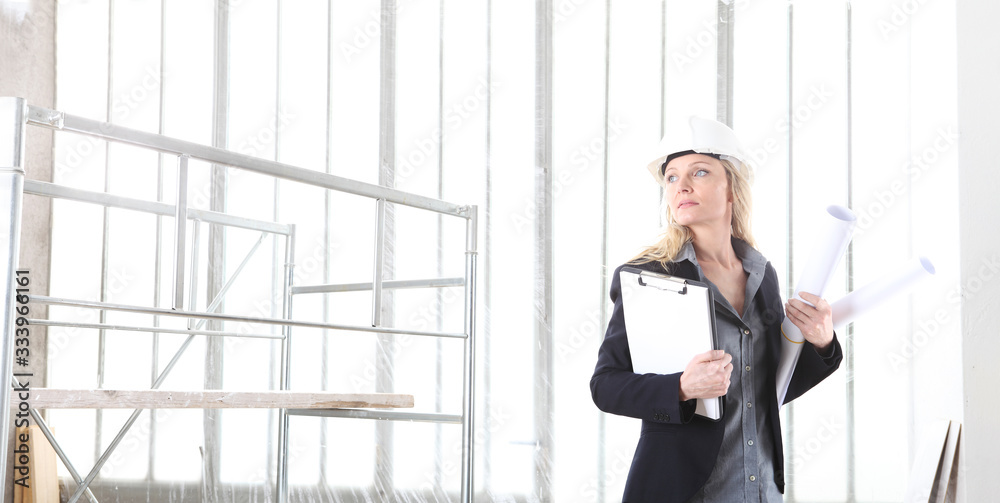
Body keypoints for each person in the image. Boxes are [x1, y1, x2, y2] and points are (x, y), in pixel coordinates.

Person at [590, 117, 843, 502]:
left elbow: (768, 388)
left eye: (700, 172)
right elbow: (606, 386)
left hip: (760, 489)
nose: (681, 186)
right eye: (671, 177)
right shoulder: (648, 277)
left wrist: (822, 342)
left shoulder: (761, 275)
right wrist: (680, 388)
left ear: (732, 190)